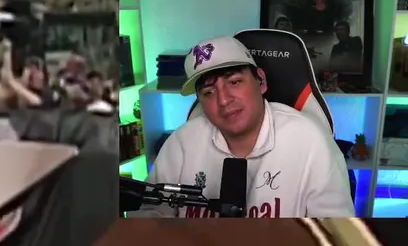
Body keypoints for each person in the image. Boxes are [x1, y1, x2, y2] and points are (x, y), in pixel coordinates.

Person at [139, 35, 354, 218]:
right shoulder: (182, 142)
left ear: (261, 81)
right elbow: (149, 213)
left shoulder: (311, 141)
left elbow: (335, 234)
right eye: (208, 92)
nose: (224, 100)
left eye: (234, 82)